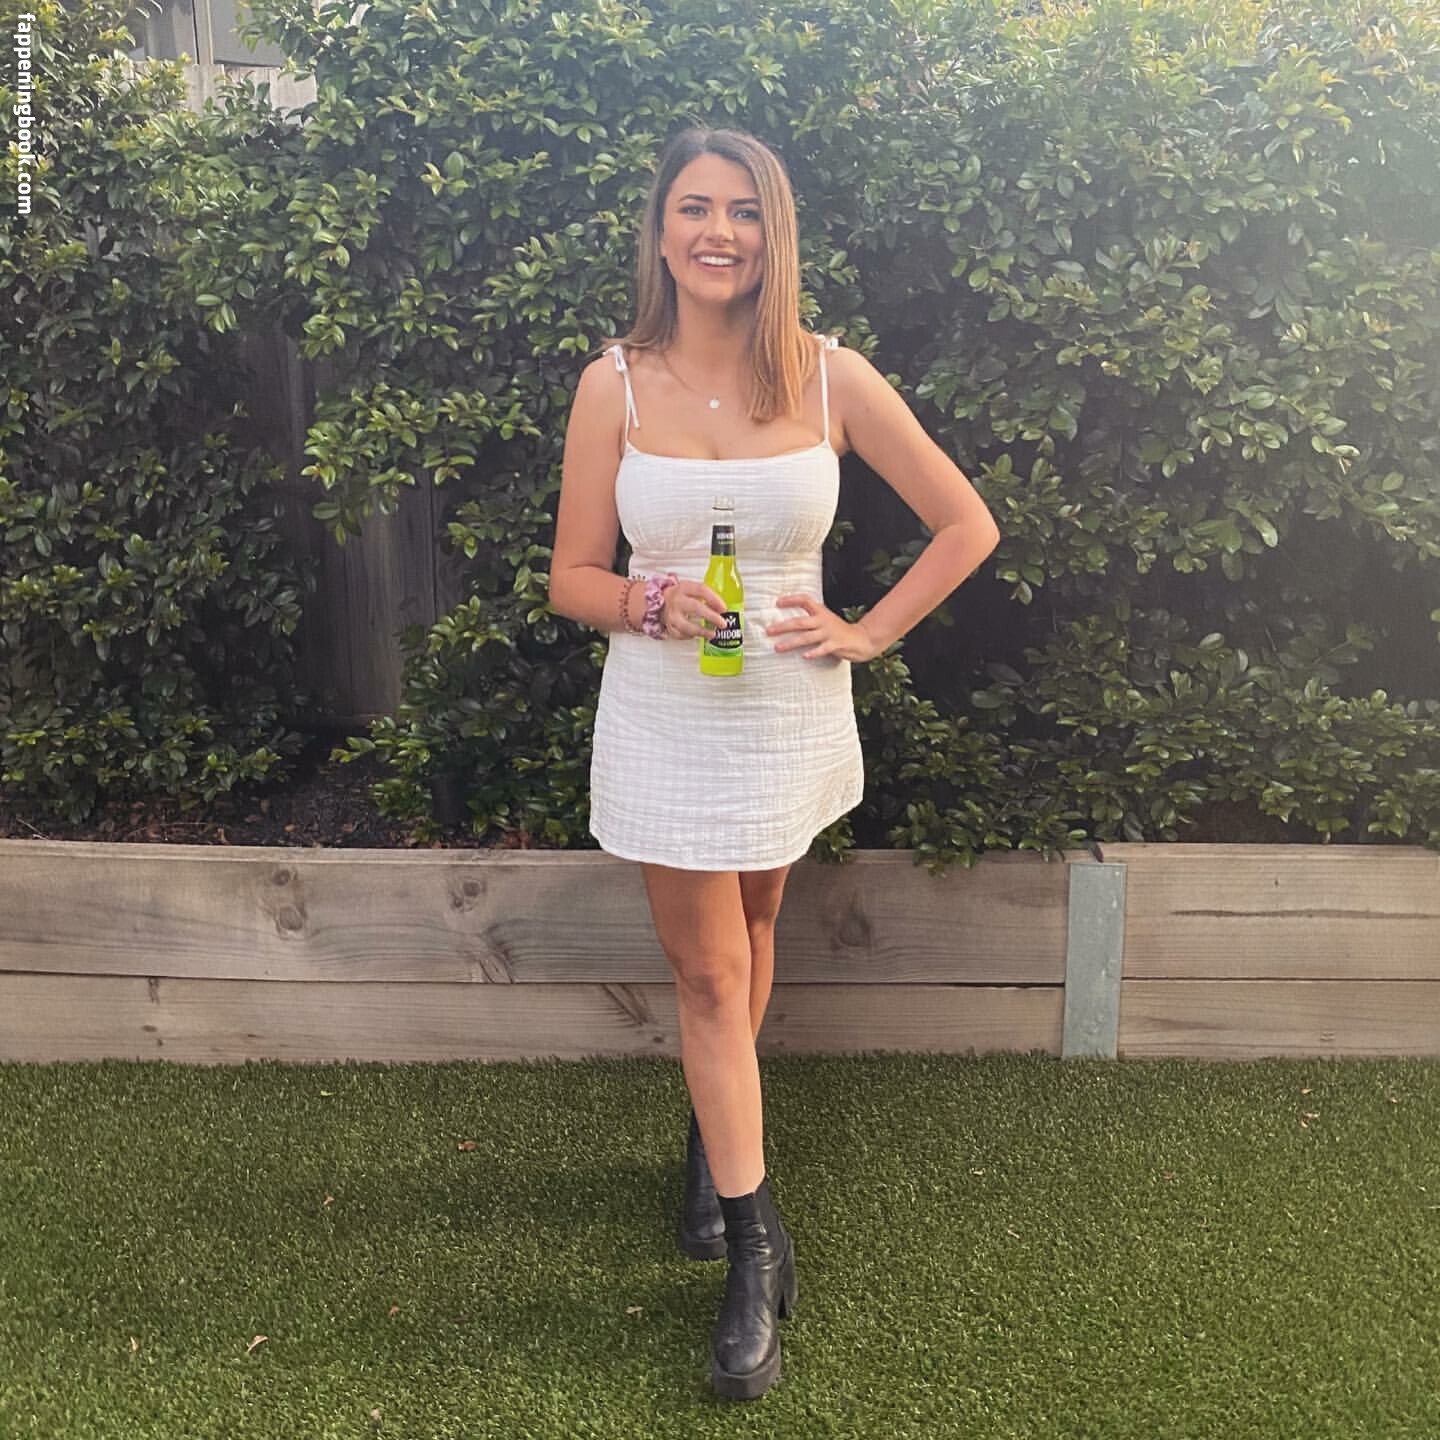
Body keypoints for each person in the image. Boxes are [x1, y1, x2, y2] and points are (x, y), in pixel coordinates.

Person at [547, 126, 1001, 1400]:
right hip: (664, 716)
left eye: (744, 211)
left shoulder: (830, 376)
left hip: (787, 715)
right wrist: (649, 602)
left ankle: (715, 1136)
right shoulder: (613, 386)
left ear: (773, 233)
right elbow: (570, 576)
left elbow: (965, 523)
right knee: (707, 974)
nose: (719, 232)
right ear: (660, 233)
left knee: (751, 930)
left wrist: (869, 632)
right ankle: (756, 1251)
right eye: (695, 207)